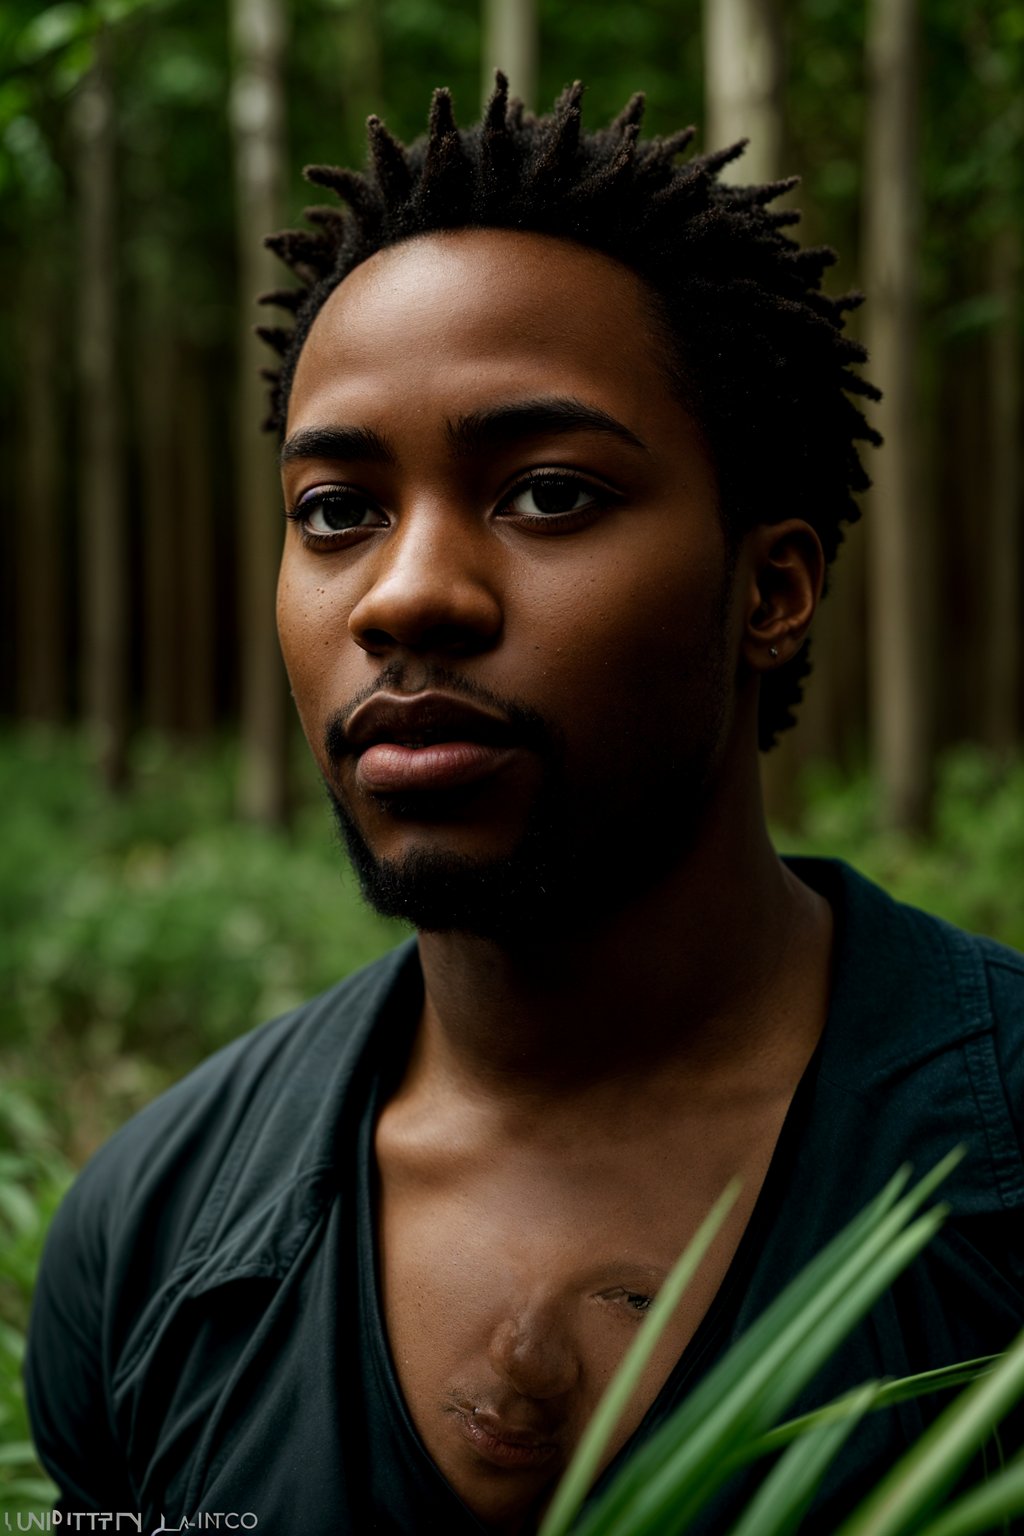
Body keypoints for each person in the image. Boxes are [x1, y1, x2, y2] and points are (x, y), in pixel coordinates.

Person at [26, 77, 1024, 1535]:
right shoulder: (149, 1233)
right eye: (335, 511)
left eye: (549, 494)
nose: (407, 593)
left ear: (775, 588)